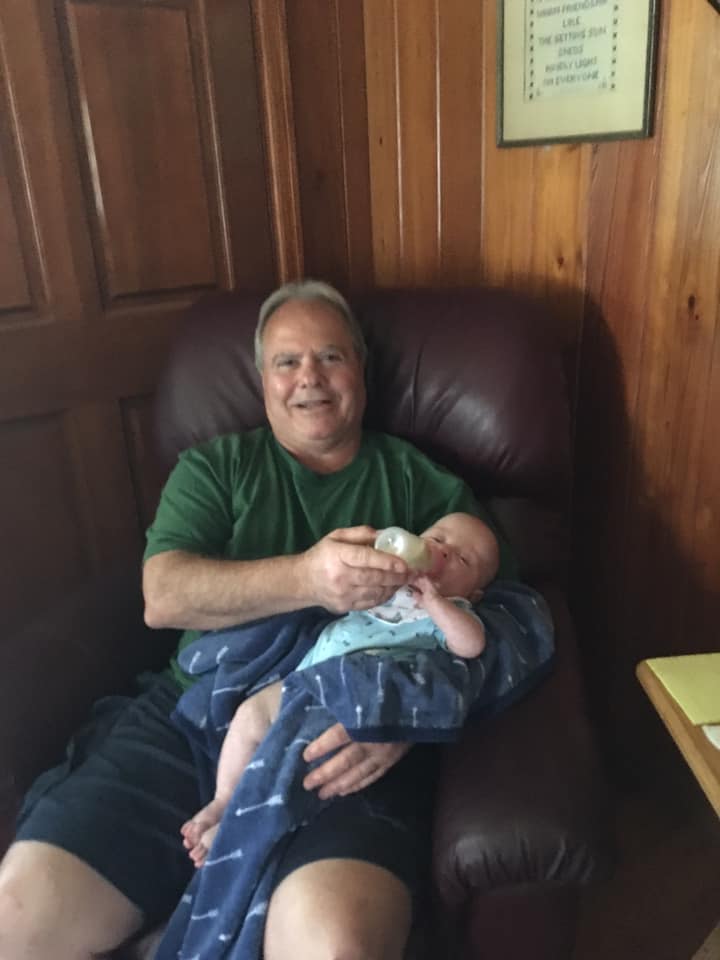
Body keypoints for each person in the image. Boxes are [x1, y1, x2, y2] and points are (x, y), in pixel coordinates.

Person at [0, 279, 512, 960]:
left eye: (331, 357)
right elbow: (162, 594)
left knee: (334, 947)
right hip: (194, 718)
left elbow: (501, 617)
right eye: (286, 361)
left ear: (361, 371)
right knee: (17, 918)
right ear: (261, 380)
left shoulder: (419, 482)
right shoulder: (216, 468)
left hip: (342, 737)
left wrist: (409, 723)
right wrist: (307, 578)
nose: (310, 378)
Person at [181, 510, 498, 867]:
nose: (443, 551)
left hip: (349, 700)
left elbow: (471, 645)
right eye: (437, 539)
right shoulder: (390, 583)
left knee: (291, 759)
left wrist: (437, 604)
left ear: (474, 593)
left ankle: (238, 827)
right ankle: (224, 798)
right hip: (305, 678)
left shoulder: (452, 610)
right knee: (250, 715)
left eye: (462, 559)